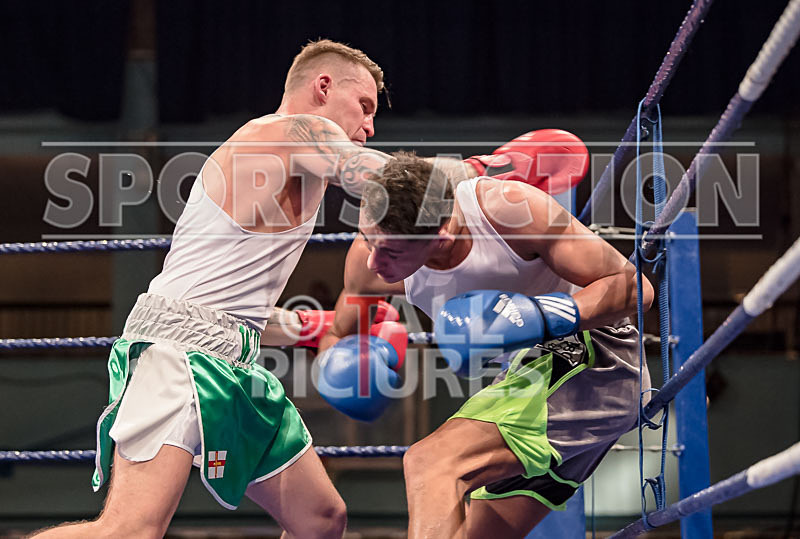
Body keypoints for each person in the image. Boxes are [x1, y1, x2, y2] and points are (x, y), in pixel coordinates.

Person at [32, 39, 492, 539]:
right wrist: (480, 172)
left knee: (320, 520)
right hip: (176, 358)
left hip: (231, 359)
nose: (369, 126)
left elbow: (221, 312)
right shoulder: (288, 132)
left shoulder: (292, 164)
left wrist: (307, 326)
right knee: (131, 530)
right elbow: (378, 177)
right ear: (323, 87)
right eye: (363, 106)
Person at [317, 152, 654, 538]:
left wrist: (539, 315)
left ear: (441, 236)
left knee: (430, 463)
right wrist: (339, 368)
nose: (373, 261)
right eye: (367, 238)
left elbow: (636, 289)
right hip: (528, 379)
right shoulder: (369, 259)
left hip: (594, 358)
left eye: (391, 251)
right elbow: (338, 334)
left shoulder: (508, 212)